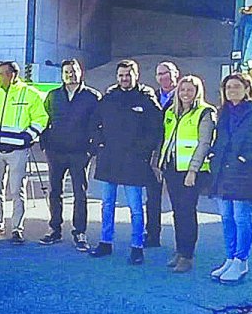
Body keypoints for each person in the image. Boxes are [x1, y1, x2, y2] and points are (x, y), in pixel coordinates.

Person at [88, 60, 163, 264]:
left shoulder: (146, 98)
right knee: (107, 204)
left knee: (135, 207)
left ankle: (137, 247)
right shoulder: (109, 97)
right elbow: (94, 122)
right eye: (121, 75)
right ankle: (105, 242)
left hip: (134, 160)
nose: (124, 79)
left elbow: (156, 128)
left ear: (136, 75)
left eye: (128, 75)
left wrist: (142, 151)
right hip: (110, 158)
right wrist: (100, 144)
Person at [208, 73, 252, 284]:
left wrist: (245, 158)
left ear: (247, 89)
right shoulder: (223, 112)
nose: (232, 91)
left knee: (241, 217)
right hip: (223, 172)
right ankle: (230, 258)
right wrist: (213, 155)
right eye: (228, 87)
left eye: (236, 86)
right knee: (226, 217)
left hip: (244, 173)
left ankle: (241, 260)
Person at [0, 61, 48, 243]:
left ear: (13, 75)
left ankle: (17, 228)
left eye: (2, 74)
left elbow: (41, 118)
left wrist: (28, 136)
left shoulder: (29, 94)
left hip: (17, 150)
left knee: (17, 190)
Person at [39, 59, 100, 251]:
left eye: (73, 71)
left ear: (80, 72)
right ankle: (54, 229)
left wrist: (91, 150)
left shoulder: (92, 96)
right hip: (56, 152)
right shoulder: (53, 95)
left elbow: (98, 124)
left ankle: (79, 232)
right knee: (54, 192)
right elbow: (44, 119)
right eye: (66, 72)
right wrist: (45, 144)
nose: (70, 75)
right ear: (62, 74)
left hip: (80, 153)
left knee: (80, 193)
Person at [159, 75, 215, 273]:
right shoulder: (171, 111)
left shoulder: (205, 112)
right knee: (177, 211)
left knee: (187, 212)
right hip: (172, 168)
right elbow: (167, 140)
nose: (185, 94)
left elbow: (204, 143)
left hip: (191, 171)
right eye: (182, 90)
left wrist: (193, 170)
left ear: (197, 92)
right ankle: (180, 250)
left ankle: (187, 255)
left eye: (190, 90)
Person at [145, 60, 180, 247]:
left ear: (176, 74)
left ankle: (181, 243)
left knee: (178, 202)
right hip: (154, 155)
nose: (162, 77)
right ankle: (152, 235)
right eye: (159, 74)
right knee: (152, 198)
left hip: (175, 156)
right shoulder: (152, 96)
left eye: (165, 73)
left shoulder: (184, 95)